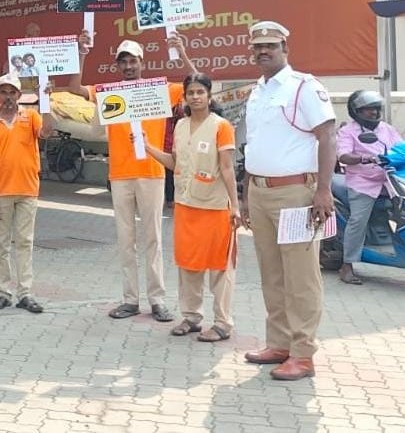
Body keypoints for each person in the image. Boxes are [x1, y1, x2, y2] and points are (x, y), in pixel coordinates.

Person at [65, 33, 197, 323]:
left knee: (153, 239)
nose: (127, 66)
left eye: (132, 61)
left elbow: (195, 82)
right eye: (122, 62)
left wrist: (181, 51)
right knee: (126, 240)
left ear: (141, 62)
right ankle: (129, 300)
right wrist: (82, 52)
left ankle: (158, 300)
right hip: (121, 174)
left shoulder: (160, 89)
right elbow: (74, 87)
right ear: (118, 66)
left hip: (151, 172)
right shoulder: (109, 91)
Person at [241, 21, 336, 381]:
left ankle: (303, 353)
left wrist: (323, 190)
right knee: (272, 273)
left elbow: (328, 136)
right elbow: (256, 144)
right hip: (261, 192)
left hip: (297, 193)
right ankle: (279, 343)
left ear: (285, 48)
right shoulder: (258, 92)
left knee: (301, 277)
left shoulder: (304, 88)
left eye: (271, 45)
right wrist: (247, 192)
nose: (263, 51)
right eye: (258, 46)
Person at [143, 73, 240, 342]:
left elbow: (227, 167)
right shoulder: (180, 126)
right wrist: (147, 147)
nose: (195, 97)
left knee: (220, 267)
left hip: (216, 206)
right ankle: (191, 317)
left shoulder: (221, 126)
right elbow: (176, 163)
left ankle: (222, 323)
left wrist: (236, 206)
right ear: (184, 97)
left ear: (209, 96)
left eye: (200, 92)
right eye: (191, 93)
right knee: (188, 264)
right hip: (186, 205)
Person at [0, 74, 54, 313]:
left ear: (19, 96)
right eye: (4, 92)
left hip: (28, 190)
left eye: (13, 93)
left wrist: (47, 102)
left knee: (25, 243)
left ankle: (26, 293)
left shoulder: (30, 116)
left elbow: (47, 133)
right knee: (1, 244)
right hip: (1, 192)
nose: (8, 97)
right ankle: (3, 292)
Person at [335, 90, 400, 285]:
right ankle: (347, 265)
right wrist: (365, 158)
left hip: (390, 181)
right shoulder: (348, 132)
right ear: (356, 112)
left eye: (375, 108)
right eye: (367, 110)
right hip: (363, 183)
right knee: (358, 221)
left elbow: (400, 148)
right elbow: (343, 156)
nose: (373, 113)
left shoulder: (386, 129)